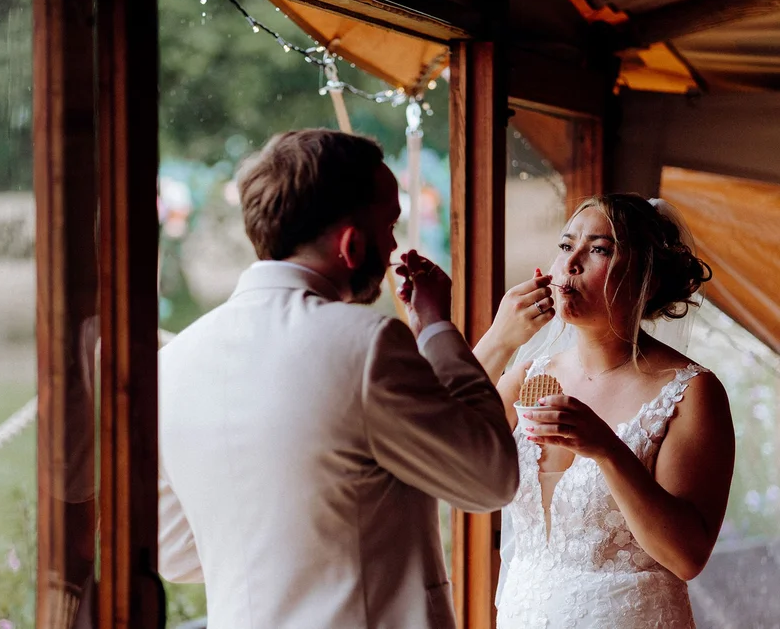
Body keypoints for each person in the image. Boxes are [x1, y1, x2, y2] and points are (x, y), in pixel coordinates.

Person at [158, 129, 519, 629]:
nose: (394, 243)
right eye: (390, 225)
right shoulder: (367, 342)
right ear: (351, 244)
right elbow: (490, 477)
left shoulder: (172, 363)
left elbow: (172, 549)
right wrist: (437, 328)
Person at [473, 194, 735, 628]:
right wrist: (499, 339)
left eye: (598, 249)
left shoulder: (690, 393)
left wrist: (608, 450)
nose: (570, 263)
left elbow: (686, 558)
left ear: (646, 279)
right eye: (564, 246)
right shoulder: (525, 377)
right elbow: (442, 453)